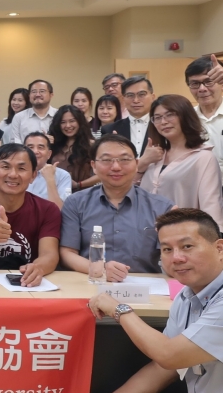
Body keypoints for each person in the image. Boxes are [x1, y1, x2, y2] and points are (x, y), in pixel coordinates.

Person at [88, 208, 223, 393]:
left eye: (187, 246)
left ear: (219, 248)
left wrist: (119, 309)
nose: (176, 258)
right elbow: (163, 369)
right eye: (167, 249)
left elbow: (169, 356)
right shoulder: (186, 296)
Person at [60, 135, 173, 280]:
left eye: (124, 159)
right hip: (92, 282)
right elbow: (67, 253)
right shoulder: (75, 203)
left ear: (136, 164)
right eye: (106, 160)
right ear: (94, 166)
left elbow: (172, 256)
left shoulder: (162, 207)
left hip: (145, 286)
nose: (116, 167)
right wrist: (101, 269)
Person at [0, 144, 61, 287]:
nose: (13, 174)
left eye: (21, 168)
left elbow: (49, 254)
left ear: (33, 176)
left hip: (29, 284)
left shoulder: (48, 210)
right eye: (5, 167)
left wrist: (38, 267)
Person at [139, 94, 223, 231]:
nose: (163, 122)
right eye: (157, 118)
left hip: (182, 234)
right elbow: (129, 192)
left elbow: (211, 204)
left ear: (185, 116)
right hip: (145, 233)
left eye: (170, 115)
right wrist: (142, 163)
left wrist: (214, 236)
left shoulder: (203, 157)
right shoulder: (153, 155)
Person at [188, 55, 223, 178]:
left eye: (208, 82)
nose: (202, 89)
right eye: (195, 84)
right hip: (198, 185)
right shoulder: (186, 118)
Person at [49, 105, 99, 191]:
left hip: (83, 194)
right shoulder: (53, 145)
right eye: (63, 122)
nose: (68, 125)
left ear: (80, 122)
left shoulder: (91, 145)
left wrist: (78, 185)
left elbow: (102, 174)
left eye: (72, 121)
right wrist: (44, 144)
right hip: (56, 193)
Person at [101, 75, 154, 157]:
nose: (136, 100)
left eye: (141, 94)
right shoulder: (109, 130)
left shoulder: (162, 126)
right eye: (130, 95)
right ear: (123, 99)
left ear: (153, 97)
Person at [24, 132, 71, 209]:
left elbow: (60, 210)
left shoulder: (62, 175)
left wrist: (50, 180)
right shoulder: (15, 174)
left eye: (40, 147)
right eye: (30, 147)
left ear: (49, 154)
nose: (35, 151)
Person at [10, 79, 58, 144]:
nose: (37, 94)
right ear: (29, 96)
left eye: (42, 91)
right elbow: (15, 143)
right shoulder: (19, 117)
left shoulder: (58, 115)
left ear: (51, 95)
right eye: (34, 91)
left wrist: (55, 142)